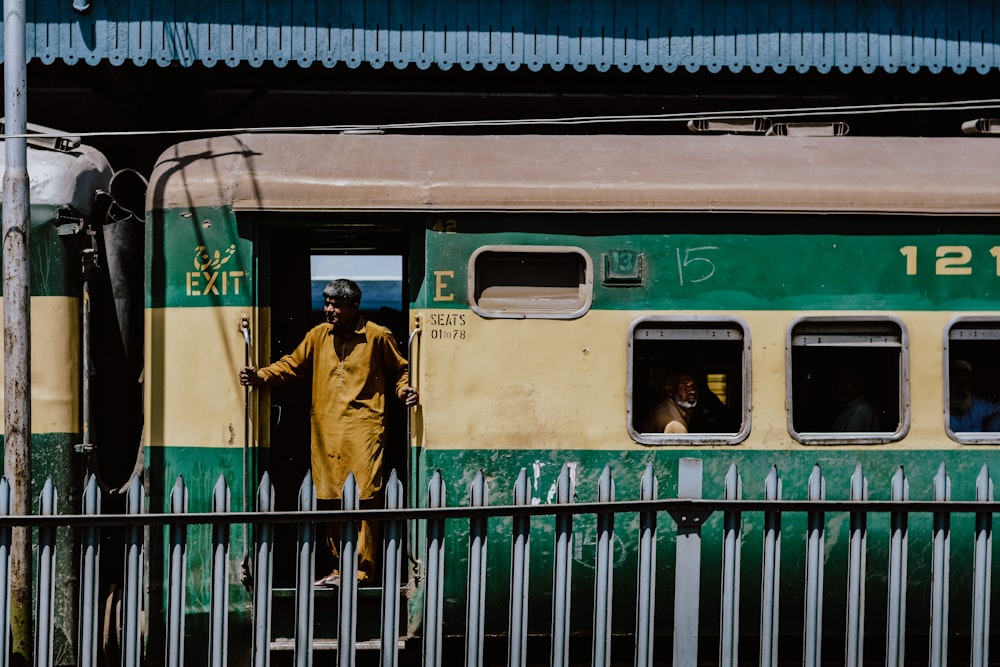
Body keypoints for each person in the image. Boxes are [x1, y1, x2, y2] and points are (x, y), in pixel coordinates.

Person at [239, 278, 418, 587]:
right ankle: (340, 568)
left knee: (364, 499)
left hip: (365, 429)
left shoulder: (378, 336)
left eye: (336, 305)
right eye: (327, 303)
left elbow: (400, 368)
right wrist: (260, 376)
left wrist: (404, 392)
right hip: (325, 430)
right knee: (331, 499)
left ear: (354, 307)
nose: (329, 310)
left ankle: (363, 571)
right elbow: (291, 365)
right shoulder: (317, 336)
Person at [949, 359, 1000, 432]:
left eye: (965, 383)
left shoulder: (977, 406)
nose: (962, 388)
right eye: (957, 382)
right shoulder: (940, 413)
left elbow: (995, 408)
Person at [831, 367, 881, 432]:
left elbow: (850, 440)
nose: (840, 388)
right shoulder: (851, 408)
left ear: (857, 384)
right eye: (840, 383)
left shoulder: (862, 410)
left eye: (847, 383)